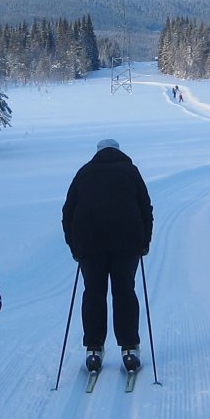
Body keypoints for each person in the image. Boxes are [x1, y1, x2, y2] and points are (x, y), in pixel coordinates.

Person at [62, 138, 153, 376]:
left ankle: (93, 349)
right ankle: (129, 349)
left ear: (97, 152)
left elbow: (68, 212)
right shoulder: (131, 172)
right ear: (119, 152)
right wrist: (144, 242)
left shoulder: (83, 173)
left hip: (90, 245)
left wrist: (74, 245)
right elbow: (146, 208)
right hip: (127, 243)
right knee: (124, 292)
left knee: (93, 293)